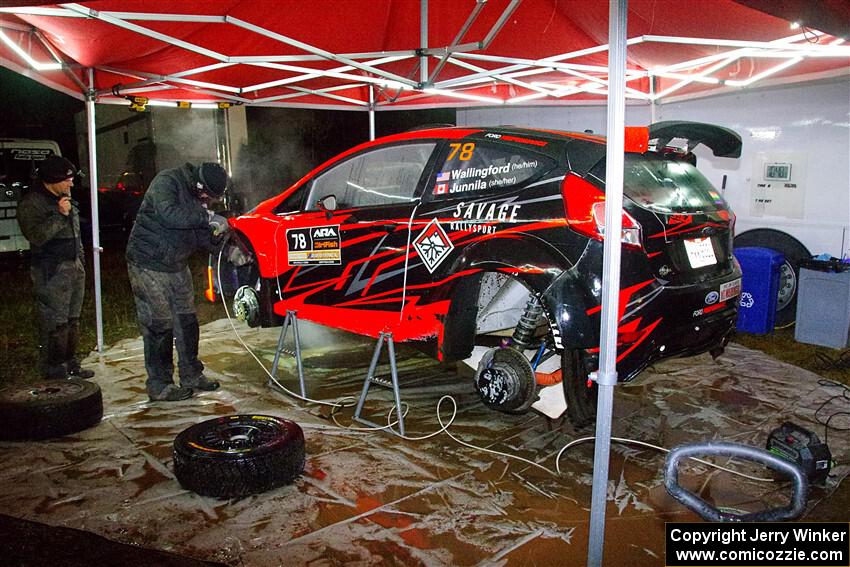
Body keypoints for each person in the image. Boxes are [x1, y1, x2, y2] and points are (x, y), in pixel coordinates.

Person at [126, 162, 229, 402]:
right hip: (148, 261)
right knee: (159, 322)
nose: (207, 201)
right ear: (199, 184)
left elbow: (201, 234)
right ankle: (160, 385)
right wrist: (208, 217)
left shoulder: (198, 197)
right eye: (207, 195)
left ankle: (191, 374)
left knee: (187, 320)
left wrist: (221, 242)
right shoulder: (167, 181)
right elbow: (169, 214)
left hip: (177, 264)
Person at [17, 155, 95, 380]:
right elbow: (36, 236)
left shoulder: (66, 198)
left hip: (74, 266)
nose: (71, 183)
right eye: (67, 179)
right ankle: (54, 368)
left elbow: (76, 234)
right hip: (51, 270)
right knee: (55, 320)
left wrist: (80, 261)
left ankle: (71, 363)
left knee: (72, 318)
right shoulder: (32, 203)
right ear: (52, 180)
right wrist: (60, 215)